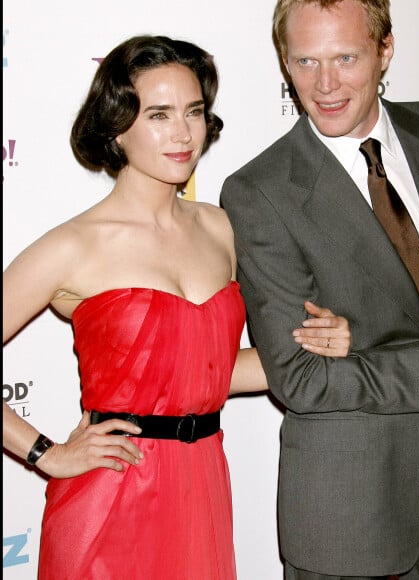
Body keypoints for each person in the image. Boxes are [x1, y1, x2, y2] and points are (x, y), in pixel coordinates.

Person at [2, 35, 352, 580]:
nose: (184, 133)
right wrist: (46, 453)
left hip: (202, 482)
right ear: (117, 126)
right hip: (111, 493)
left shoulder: (220, 227)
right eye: (159, 115)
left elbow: (210, 372)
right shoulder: (73, 246)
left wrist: (319, 342)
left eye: (193, 112)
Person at [220, 1, 419, 578]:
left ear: (385, 49)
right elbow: (301, 378)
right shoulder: (259, 193)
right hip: (353, 514)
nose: (325, 84)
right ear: (285, 64)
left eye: (345, 57)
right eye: (305, 61)